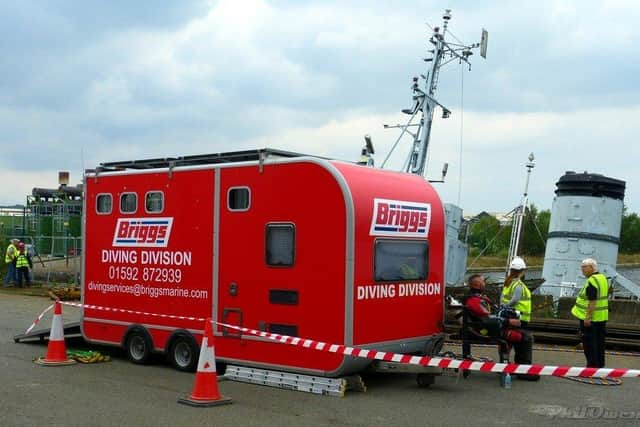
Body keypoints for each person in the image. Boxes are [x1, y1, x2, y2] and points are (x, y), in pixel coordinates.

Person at [465, 273, 539, 380]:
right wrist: (508, 321)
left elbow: (492, 314)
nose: (485, 284)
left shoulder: (478, 298)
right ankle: (523, 371)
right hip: (486, 330)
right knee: (525, 336)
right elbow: (488, 319)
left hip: (490, 327)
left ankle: (520, 368)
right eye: (483, 282)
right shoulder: (474, 300)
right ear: (478, 285)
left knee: (523, 334)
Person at [571, 258, 608, 368]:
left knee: (589, 343)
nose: (582, 269)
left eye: (584, 267)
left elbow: (592, 300)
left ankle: (591, 367)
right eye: (581, 267)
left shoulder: (592, 281)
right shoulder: (602, 278)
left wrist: (588, 318)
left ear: (591, 268)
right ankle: (599, 366)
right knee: (599, 343)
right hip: (602, 317)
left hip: (591, 319)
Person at [501, 257, 532, 328]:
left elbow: (502, 297)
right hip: (519, 317)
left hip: (509, 315)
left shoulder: (508, 282)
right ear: (522, 271)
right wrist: (505, 307)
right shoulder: (518, 284)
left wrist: (503, 308)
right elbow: (515, 300)